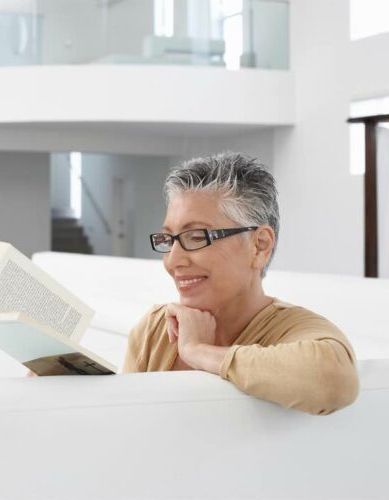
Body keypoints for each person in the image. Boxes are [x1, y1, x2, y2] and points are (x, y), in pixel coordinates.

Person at [122, 152, 359, 415]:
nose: (173, 261)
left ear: (260, 246)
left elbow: (332, 382)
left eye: (197, 236)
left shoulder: (291, 330)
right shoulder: (156, 330)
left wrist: (198, 351)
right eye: (168, 240)